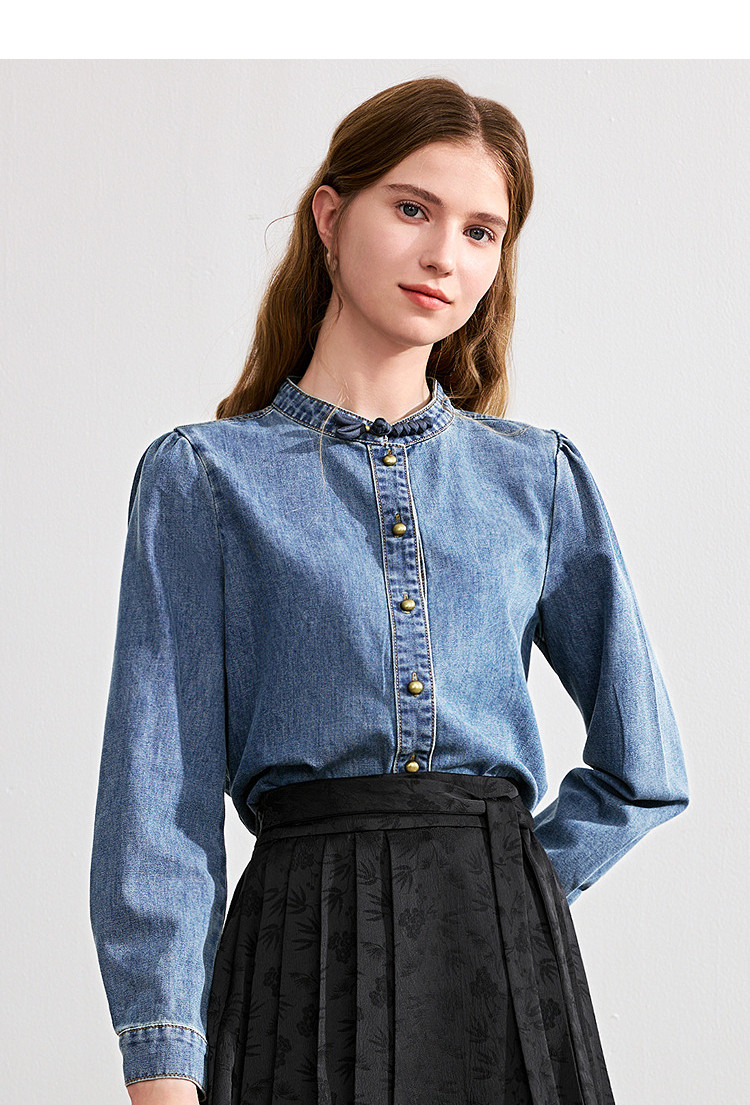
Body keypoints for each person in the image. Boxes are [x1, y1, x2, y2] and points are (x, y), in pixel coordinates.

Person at [89, 76, 690, 1105]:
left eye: (481, 232)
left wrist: (504, 882)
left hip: (505, 980)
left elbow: (648, 767)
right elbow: (157, 807)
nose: (445, 255)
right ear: (331, 216)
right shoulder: (204, 479)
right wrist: (161, 1065)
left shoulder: (538, 478)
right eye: (413, 209)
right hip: (297, 961)